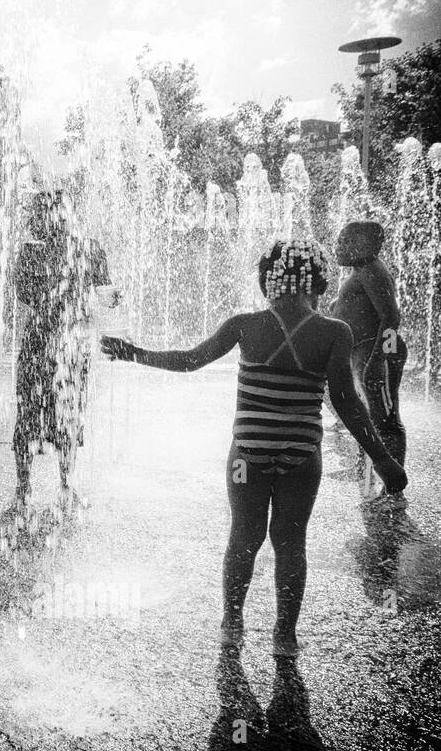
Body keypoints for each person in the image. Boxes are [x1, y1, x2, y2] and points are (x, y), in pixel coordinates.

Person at [102, 239, 407, 657]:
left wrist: (132, 353)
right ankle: (284, 636)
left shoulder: (245, 325)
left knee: (244, 536)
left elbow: (190, 361)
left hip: (248, 453)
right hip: (301, 455)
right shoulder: (335, 333)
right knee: (291, 542)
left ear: (269, 281)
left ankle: (232, 623)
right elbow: (347, 404)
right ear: (316, 282)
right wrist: (383, 459)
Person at [12, 190, 116, 510]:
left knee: (27, 417)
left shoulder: (29, 252)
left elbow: (24, 296)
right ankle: (65, 485)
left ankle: (23, 490)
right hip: (70, 345)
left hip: (36, 342)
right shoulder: (88, 248)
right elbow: (107, 297)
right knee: (68, 415)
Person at [329, 221, 407, 473]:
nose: (338, 247)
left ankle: (394, 487)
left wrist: (377, 360)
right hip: (364, 351)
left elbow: (391, 317)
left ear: (364, 244)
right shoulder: (361, 271)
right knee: (367, 413)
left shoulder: (372, 270)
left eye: (345, 241)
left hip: (375, 351)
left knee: (385, 418)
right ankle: (365, 468)